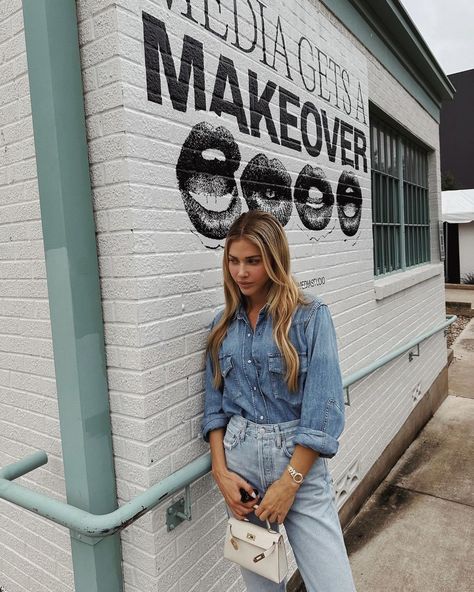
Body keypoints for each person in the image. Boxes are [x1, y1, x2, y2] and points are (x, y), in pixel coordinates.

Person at [201, 211, 356, 592]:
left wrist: (290, 483)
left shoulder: (309, 316)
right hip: (241, 475)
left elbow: (323, 409)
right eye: (233, 260)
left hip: (298, 469)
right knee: (263, 586)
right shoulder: (221, 325)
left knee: (333, 583)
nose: (241, 272)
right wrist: (221, 474)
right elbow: (214, 409)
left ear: (274, 259)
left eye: (253, 261)